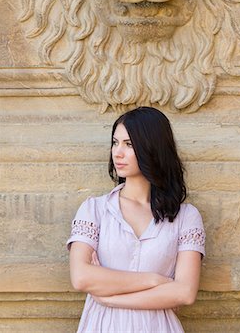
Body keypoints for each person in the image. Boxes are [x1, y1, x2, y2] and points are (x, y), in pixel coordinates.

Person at [67, 106, 205, 332]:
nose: (117, 152)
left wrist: (111, 298)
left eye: (129, 144)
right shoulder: (94, 209)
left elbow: (185, 293)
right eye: (115, 142)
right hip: (103, 326)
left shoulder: (186, 217)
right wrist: (154, 281)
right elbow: (81, 277)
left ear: (153, 148)